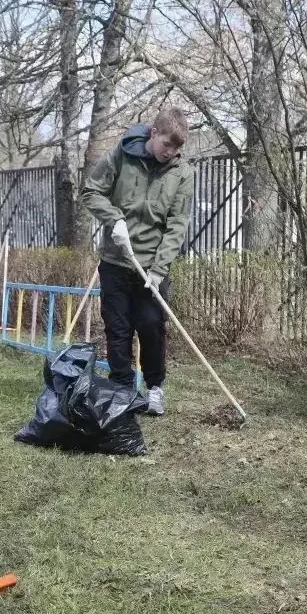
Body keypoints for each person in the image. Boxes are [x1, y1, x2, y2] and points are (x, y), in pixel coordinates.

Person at [80, 107, 195, 416]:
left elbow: (177, 224)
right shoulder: (122, 154)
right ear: (153, 134)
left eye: (176, 148)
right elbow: (91, 192)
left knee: (151, 326)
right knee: (117, 329)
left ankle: (155, 389)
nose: (170, 153)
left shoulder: (182, 173)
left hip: (151, 267)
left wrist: (159, 269)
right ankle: (122, 390)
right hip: (116, 261)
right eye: (166, 144)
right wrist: (114, 219)